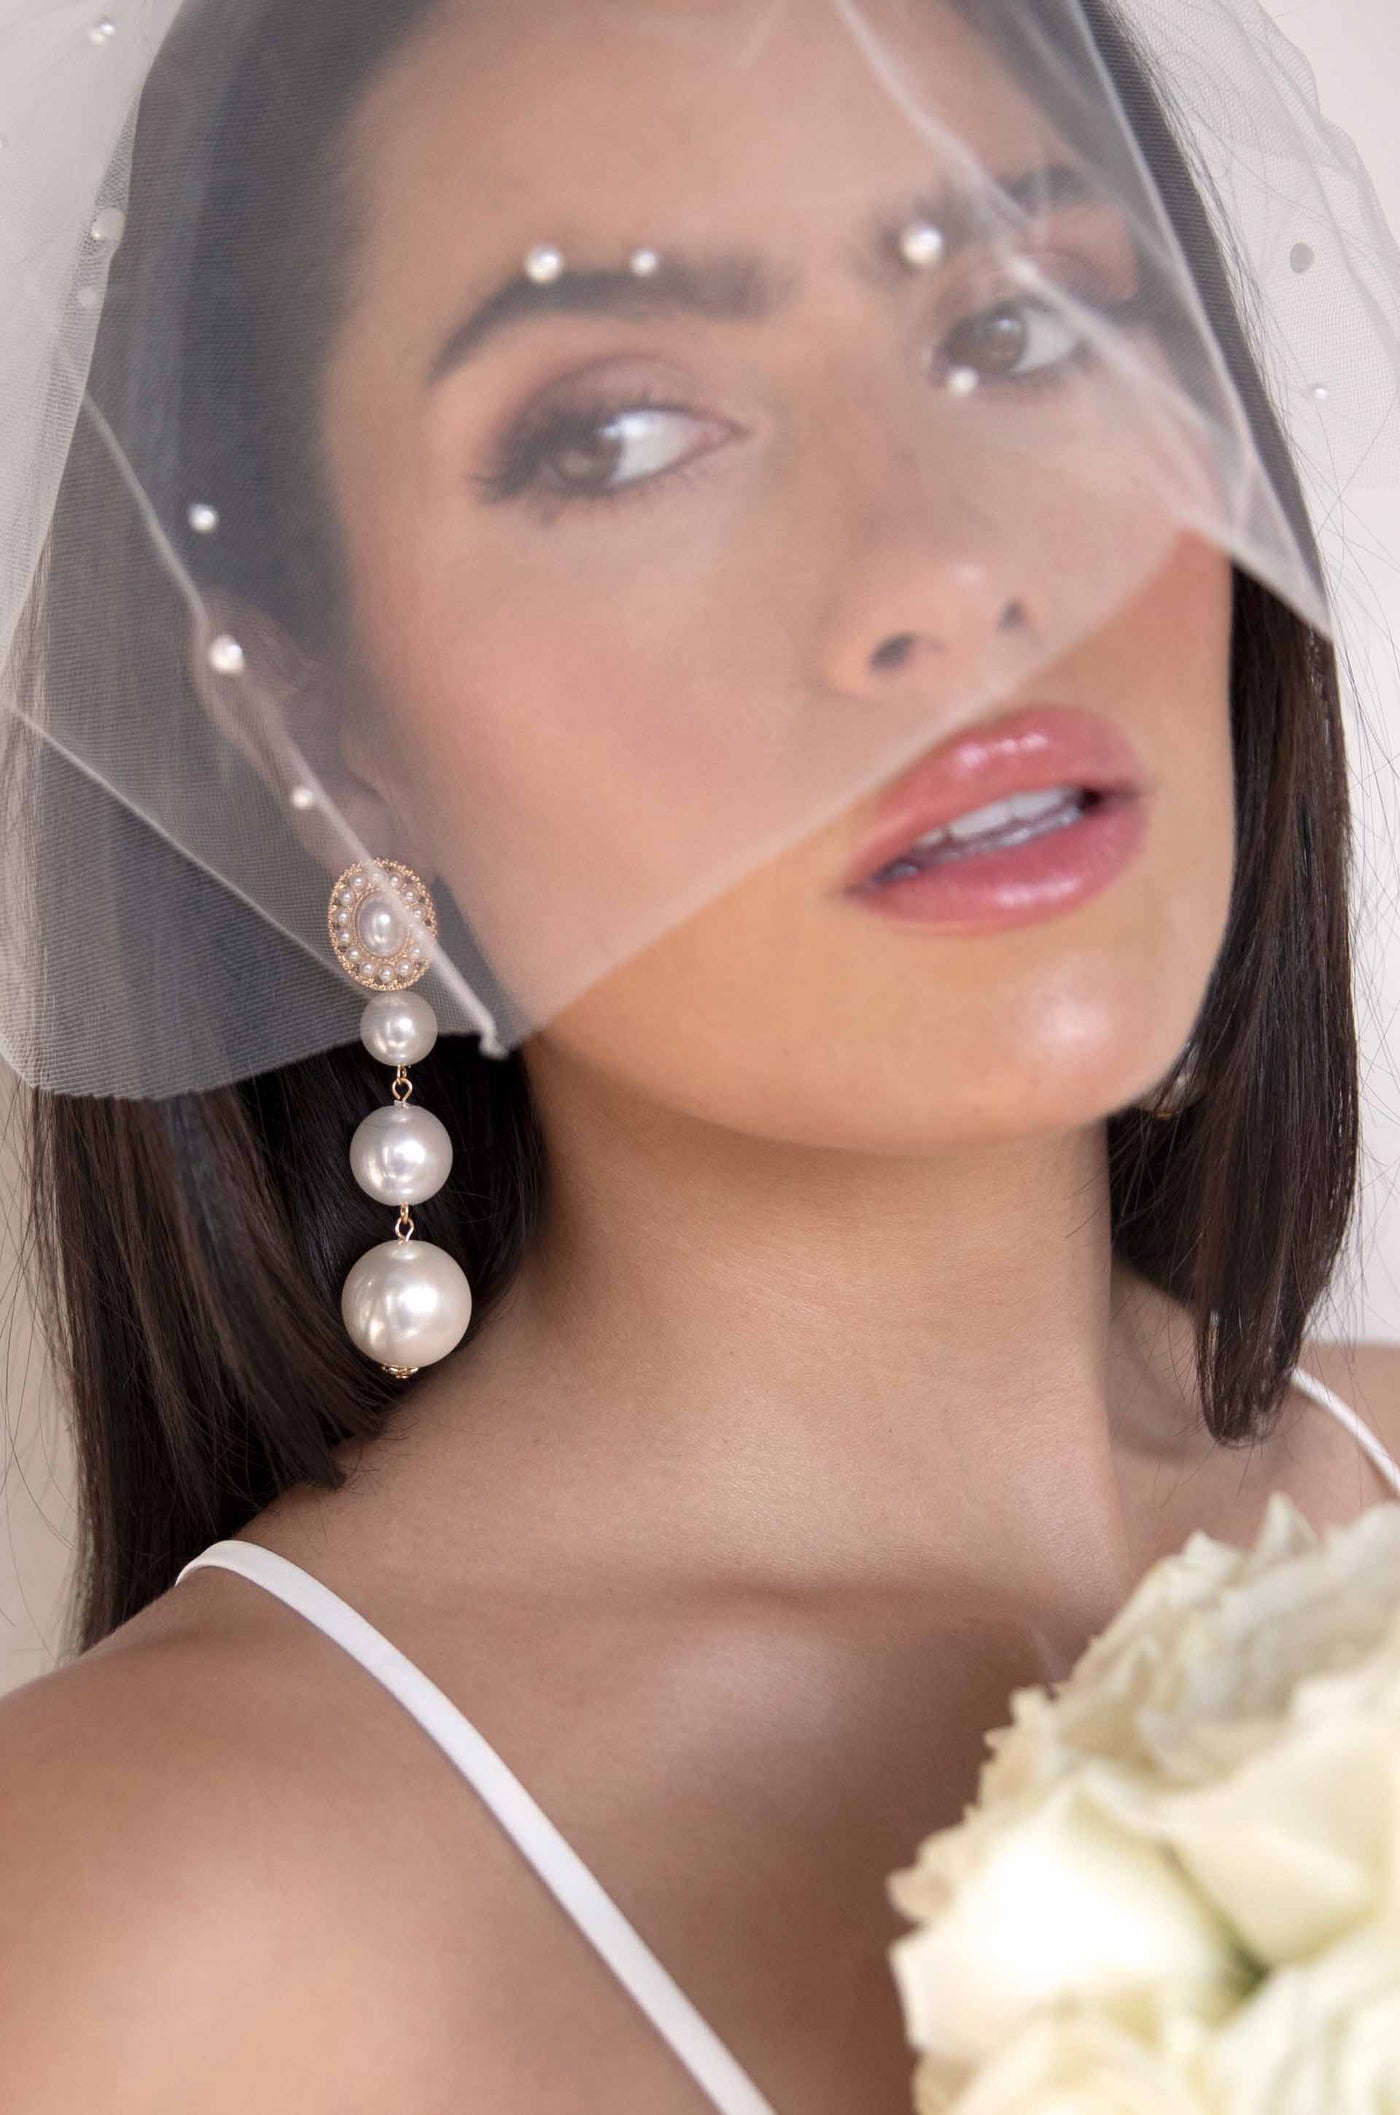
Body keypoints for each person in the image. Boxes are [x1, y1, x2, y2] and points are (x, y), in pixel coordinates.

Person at [2, 0, 1400, 2108]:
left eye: (1016, 328)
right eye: (622, 435)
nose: (945, 565)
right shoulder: (150, 1926)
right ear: (324, 744)